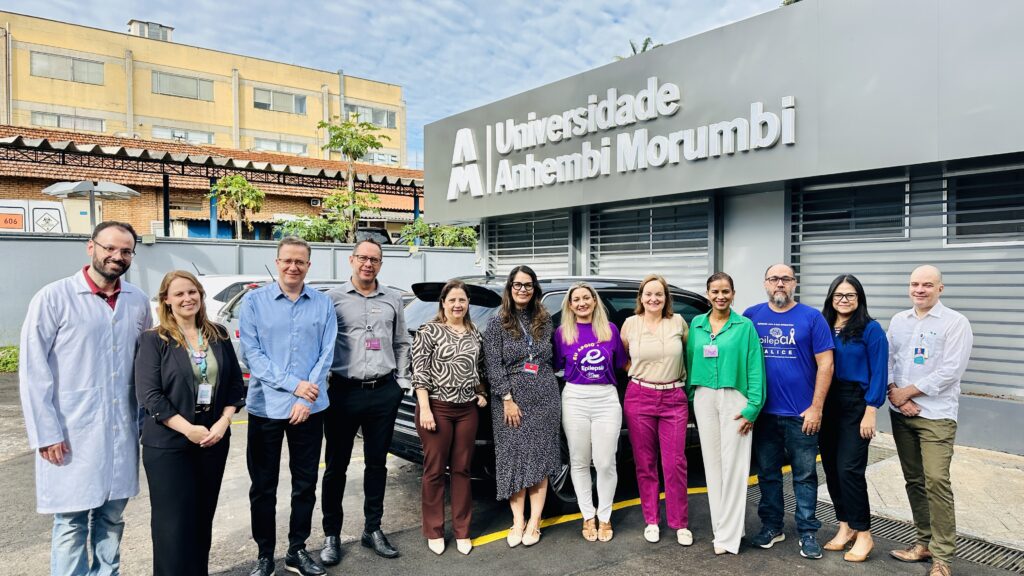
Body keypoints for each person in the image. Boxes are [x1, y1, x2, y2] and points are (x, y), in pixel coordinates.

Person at [19, 221, 151, 576]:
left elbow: (145, 363)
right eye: (110, 248)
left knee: (112, 517)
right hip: (69, 431)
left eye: (126, 251)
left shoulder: (138, 301)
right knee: (71, 521)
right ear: (91, 247)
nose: (117, 256)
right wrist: (46, 432)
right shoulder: (53, 297)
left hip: (122, 428)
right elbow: (33, 370)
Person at [135, 270, 246, 576]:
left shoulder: (219, 335)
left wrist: (223, 422)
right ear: (166, 300)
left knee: (201, 520)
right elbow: (150, 395)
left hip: (212, 440)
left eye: (192, 291)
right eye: (179, 294)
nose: (187, 298)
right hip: (169, 445)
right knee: (172, 525)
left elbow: (235, 385)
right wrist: (188, 430)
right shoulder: (154, 340)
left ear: (200, 294)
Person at [240, 237, 337, 576]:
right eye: (287, 260)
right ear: (277, 262)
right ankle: (264, 554)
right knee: (263, 487)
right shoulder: (254, 302)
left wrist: (304, 398)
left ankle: (297, 550)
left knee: (305, 484)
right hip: (266, 408)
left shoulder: (323, 304)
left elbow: (327, 354)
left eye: (300, 261)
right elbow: (252, 355)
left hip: (309, 409)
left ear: (308, 265)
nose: (293, 267)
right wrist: (296, 386)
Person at [320, 238, 411, 564]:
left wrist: (401, 382)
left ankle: (373, 529)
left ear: (380, 264)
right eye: (362, 258)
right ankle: (331, 534)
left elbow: (401, 342)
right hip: (343, 393)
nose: (368, 264)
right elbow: (321, 344)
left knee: (377, 464)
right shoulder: (332, 299)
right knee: (336, 467)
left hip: (383, 392)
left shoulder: (393, 299)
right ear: (352, 260)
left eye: (374, 259)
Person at [886, 265, 972, 576]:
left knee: (936, 481)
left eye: (927, 285)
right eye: (914, 284)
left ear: (940, 288)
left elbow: (951, 371)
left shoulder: (955, 322)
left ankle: (942, 558)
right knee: (914, 480)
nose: (919, 290)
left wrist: (907, 393)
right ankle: (923, 543)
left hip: (936, 415)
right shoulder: (899, 321)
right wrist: (896, 393)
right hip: (901, 413)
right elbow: (888, 360)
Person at [744, 263, 834, 559]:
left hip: (801, 415)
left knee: (804, 476)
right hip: (764, 415)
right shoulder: (751, 316)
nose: (779, 283)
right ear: (765, 283)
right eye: (774, 279)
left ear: (794, 283)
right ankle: (772, 526)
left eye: (786, 279)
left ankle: (808, 531)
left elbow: (826, 364)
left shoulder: (812, 318)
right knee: (767, 474)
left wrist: (816, 408)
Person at [685, 272, 765, 555]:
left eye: (725, 291)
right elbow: (690, 360)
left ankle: (729, 538)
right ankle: (722, 527)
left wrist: (753, 407)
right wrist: (692, 397)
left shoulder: (744, 326)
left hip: (735, 398)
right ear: (708, 294)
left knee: (735, 467)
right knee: (712, 466)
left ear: (733, 294)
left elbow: (755, 367)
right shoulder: (697, 324)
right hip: (704, 397)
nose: (720, 296)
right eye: (715, 291)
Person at [483, 265, 561, 548]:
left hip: (545, 397)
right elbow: (492, 365)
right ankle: (517, 521)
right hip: (510, 402)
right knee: (513, 460)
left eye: (528, 285)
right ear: (510, 288)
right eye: (518, 285)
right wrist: (506, 398)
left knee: (540, 460)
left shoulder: (545, 320)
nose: (523, 290)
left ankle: (534, 521)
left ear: (534, 288)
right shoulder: (497, 323)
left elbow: (552, 357)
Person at [412, 279, 488, 556]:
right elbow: (419, 373)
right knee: (434, 471)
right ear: (443, 302)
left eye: (462, 300)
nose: (457, 305)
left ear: (468, 304)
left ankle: (462, 531)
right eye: (452, 300)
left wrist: (481, 392)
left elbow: (479, 368)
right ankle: (434, 531)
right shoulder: (429, 331)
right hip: (437, 408)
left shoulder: (474, 331)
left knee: (462, 470)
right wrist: (425, 409)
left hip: (467, 410)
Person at [818, 274, 888, 563]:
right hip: (827, 401)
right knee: (832, 468)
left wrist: (871, 409)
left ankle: (864, 533)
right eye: (839, 295)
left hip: (856, 404)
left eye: (850, 295)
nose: (844, 300)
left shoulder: (871, 330)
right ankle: (845, 525)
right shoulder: (822, 326)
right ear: (831, 298)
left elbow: (880, 371)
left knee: (849, 469)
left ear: (859, 298)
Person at [621, 274, 692, 546]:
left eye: (659, 294)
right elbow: (622, 357)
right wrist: (641, 373)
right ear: (641, 297)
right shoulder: (630, 324)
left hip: (673, 396)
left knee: (675, 463)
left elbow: (690, 354)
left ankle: (679, 523)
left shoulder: (678, 322)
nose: (653, 299)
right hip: (640, 396)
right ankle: (651, 520)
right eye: (648, 294)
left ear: (666, 297)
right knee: (645, 462)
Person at [553, 282, 628, 542]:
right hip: (575, 398)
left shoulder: (610, 330)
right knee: (579, 460)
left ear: (595, 301)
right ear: (570, 305)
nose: (582, 303)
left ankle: (605, 516)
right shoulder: (563, 333)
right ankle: (588, 515)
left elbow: (623, 364)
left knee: (606, 462)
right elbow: (556, 365)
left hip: (606, 397)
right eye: (576, 299)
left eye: (587, 298)